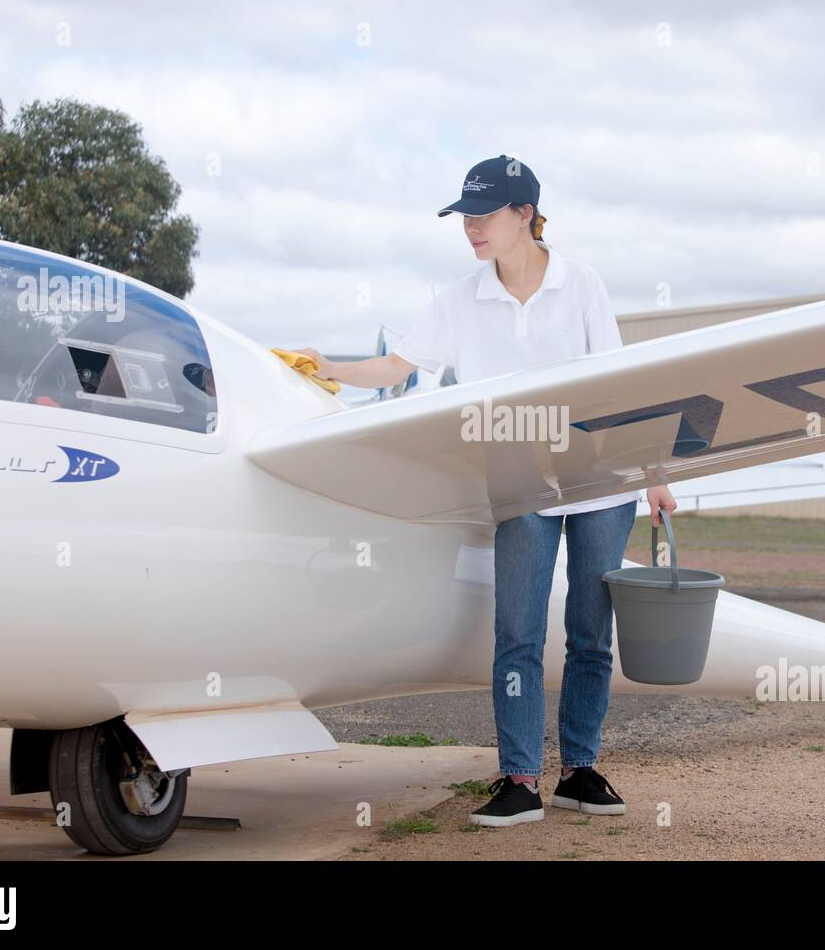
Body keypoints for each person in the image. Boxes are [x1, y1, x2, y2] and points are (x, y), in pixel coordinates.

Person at [289, 154, 676, 828]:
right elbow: (396, 366)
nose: (471, 228)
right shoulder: (458, 301)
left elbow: (622, 386)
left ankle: (579, 772)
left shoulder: (582, 284)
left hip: (601, 484)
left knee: (591, 634)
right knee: (516, 634)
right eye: (464, 216)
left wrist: (655, 476)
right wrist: (328, 367)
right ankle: (520, 779)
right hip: (521, 486)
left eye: (484, 214)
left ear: (524, 214)